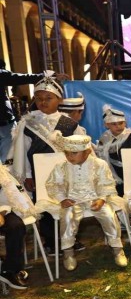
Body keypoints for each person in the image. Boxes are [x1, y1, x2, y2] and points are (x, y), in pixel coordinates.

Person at [9, 76, 78, 256]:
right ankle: (52, 242)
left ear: (59, 100)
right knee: (46, 206)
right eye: (39, 98)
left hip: (66, 172)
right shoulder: (28, 123)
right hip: (39, 174)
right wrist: (27, 175)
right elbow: (22, 152)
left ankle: (71, 239)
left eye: (48, 98)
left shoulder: (70, 124)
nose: (43, 102)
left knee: (70, 203)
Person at [44, 134, 127, 271]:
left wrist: (101, 199)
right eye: (67, 153)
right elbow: (53, 184)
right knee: (67, 217)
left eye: (74, 153)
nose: (69, 157)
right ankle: (68, 252)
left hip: (95, 198)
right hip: (72, 200)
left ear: (87, 152)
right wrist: (62, 199)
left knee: (108, 215)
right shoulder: (61, 167)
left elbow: (106, 183)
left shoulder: (99, 164)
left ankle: (117, 248)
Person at [0, 61, 67, 163]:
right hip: (5, 123)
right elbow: (20, 78)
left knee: (9, 156)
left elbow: (18, 78)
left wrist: (47, 76)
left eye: (48, 98)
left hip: (5, 122)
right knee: (8, 156)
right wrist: (47, 76)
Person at [0, 163, 37, 289]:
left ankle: (10, 270)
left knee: (16, 226)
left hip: (3, 208)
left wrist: (1, 212)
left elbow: (7, 193)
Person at [95, 105, 131, 196]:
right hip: (112, 174)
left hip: (130, 174)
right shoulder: (105, 138)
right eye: (114, 124)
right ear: (107, 125)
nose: (118, 126)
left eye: (121, 123)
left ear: (125, 123)